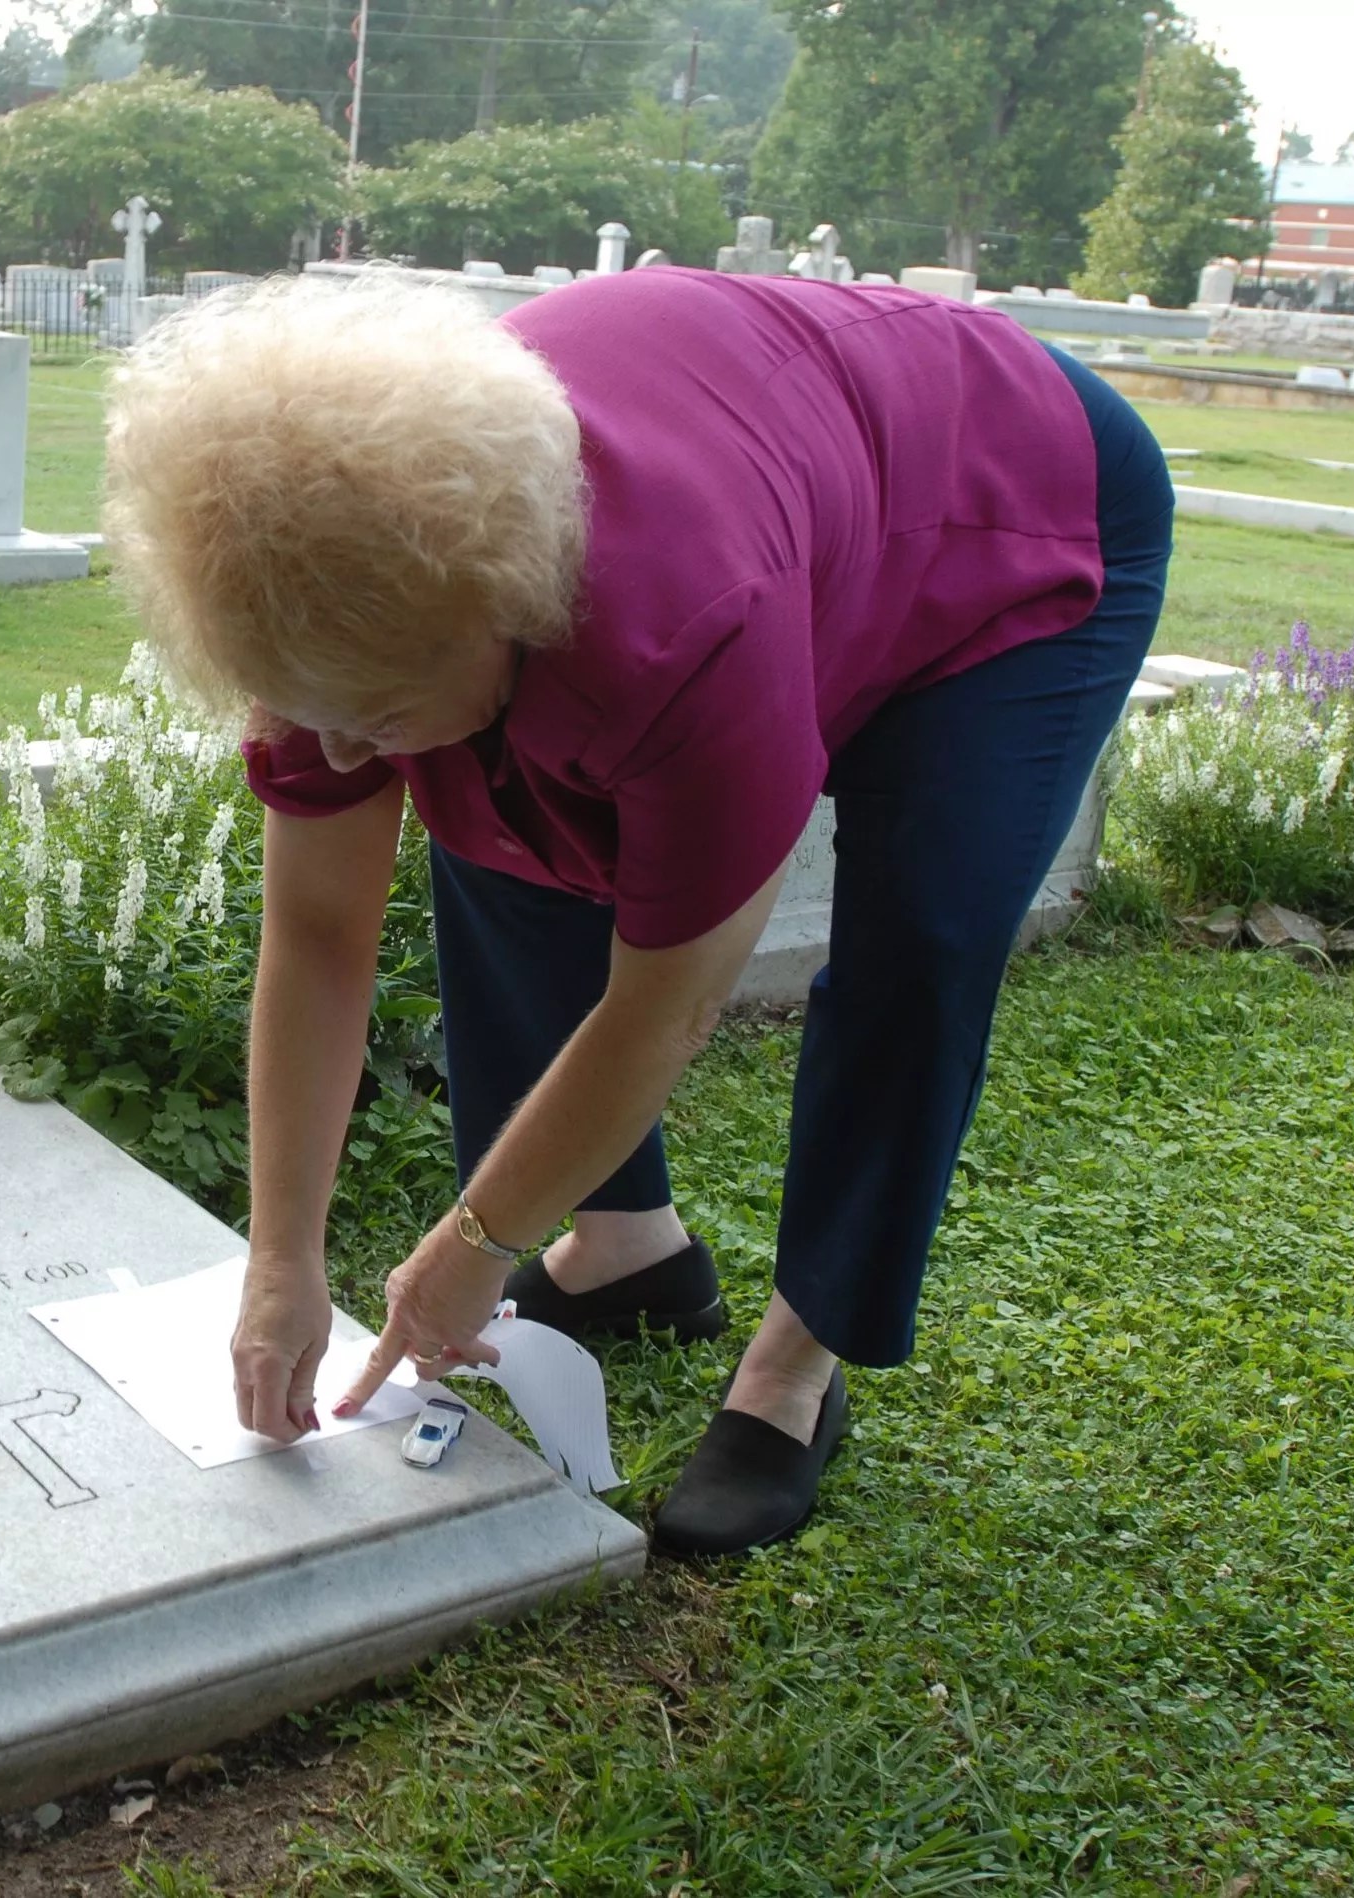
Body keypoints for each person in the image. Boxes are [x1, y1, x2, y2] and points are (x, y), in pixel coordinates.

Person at [103, 267, 1172, 1555]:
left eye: (371, 715)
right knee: (494, 818)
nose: (336, 756)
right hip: (785, 472)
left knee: (926, 934)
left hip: (1018, 507)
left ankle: (794, 1365)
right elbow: (321, 935)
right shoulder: (318, 594)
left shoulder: (685, 630)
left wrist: (477, 1243)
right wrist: (282, 1258)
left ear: (507, 607)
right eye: (307, 711)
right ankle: (628, 1250)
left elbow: (665, 1005)